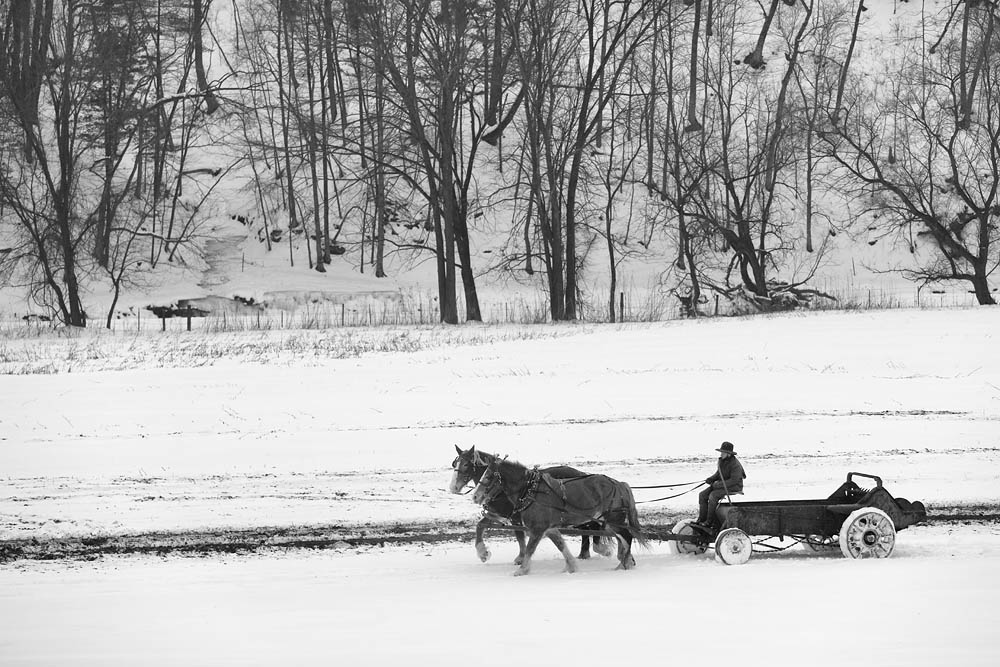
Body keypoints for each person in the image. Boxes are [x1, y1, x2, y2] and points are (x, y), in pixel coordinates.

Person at [694, 441, 746, 530]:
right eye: (721, 452)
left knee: (713, 495)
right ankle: (701, 519)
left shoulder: (735, 465)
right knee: (702, 495)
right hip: (722, 485)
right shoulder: (722, 461)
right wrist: (711, 479)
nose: (721, 454)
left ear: (729, 454)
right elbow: (719, 474)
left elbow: (734, 480)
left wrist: (717, 485)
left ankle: (709, 522)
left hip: (734, 486)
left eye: (723, 452)